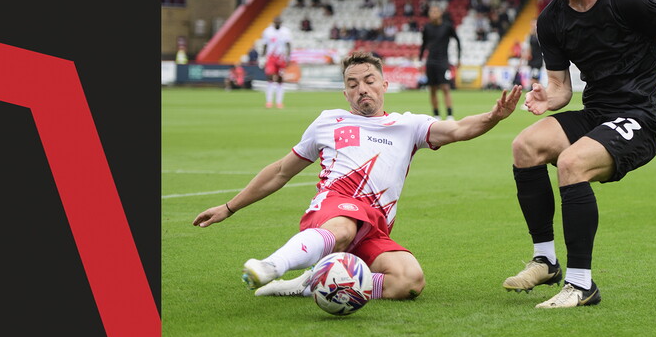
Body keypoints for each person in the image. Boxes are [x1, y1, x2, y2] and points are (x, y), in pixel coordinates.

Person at [193, 51, 522, 302]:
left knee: (409, 281)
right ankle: (271, 266)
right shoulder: (328, 121)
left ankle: (312, 282)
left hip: (373, 228)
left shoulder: (408, 126)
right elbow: (281, 171)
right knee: (343, 226)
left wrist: (494, 115)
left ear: (384, 85)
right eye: (353, 84)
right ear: (345, 93)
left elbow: (460, 128)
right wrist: (229, 207)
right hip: (334, 209)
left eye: (369, 81)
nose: (362, 89)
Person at [503, 0, 656, 309]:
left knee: (571, 163)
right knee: (526, 146)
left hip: (640, 118)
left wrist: (651, 74)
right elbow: (561, 88)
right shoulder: (551, 21)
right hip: (598, 112)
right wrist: (546, 99)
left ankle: (581, 284)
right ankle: (545, 260)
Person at [418, 4, 461, 120]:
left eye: (436, 11)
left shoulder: (447, 27)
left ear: (440, 13)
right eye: (431, 11)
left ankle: (449, 115)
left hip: (443, 61)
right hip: (430, 61)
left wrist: (459, 58)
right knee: (432, 89)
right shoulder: (426, 28)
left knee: (445, 88)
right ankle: (436, 115)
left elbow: (458, 40)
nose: (433, 14)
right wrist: (420, 60)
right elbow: (423, 45)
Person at [260, 15, 293, 109]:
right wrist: (262, 57)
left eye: (279, 22)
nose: (278, 23)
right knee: (270, 77)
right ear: (274, 22)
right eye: (276, 22)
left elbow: (288, 45)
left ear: (281, 23)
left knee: (280, 79)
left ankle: (279, 102)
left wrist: (288, 57)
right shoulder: (267, 31)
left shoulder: (286, 31)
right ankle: (269, 101)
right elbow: (265, 45)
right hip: (271, 57)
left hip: (281, 57)